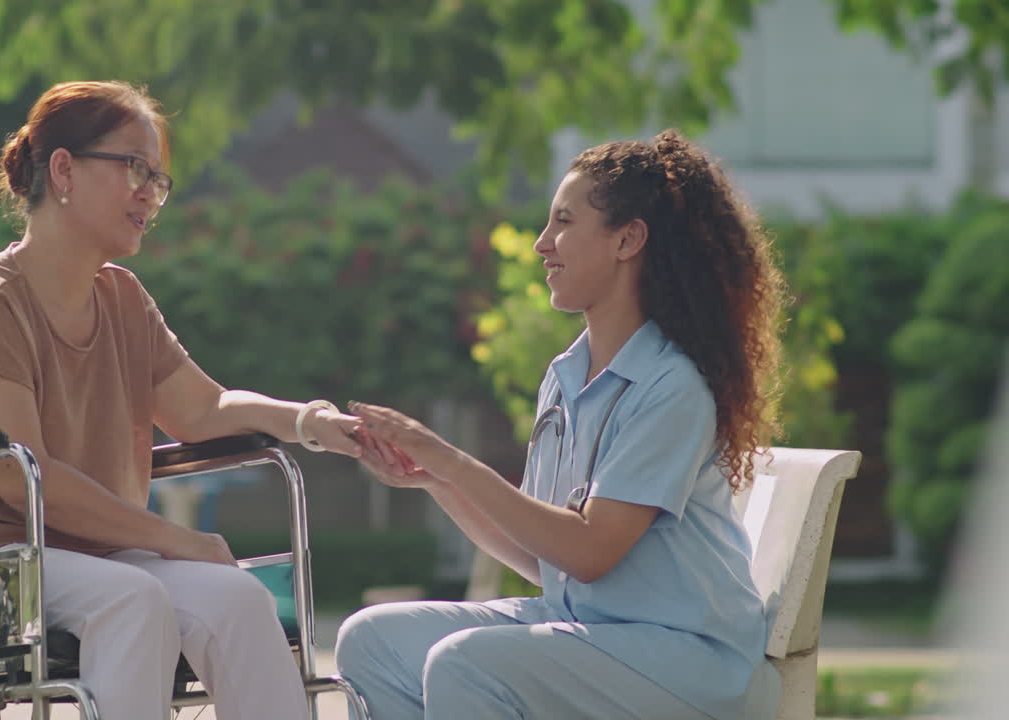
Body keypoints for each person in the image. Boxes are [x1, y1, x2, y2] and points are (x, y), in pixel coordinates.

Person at [0, 80, 363, 720]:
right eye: (134, 167)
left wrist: (312, 422)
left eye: (157, 179)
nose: (149, 194)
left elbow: (203, 410)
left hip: (84, 555)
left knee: (238, 599)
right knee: (133, 600)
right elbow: (23, 479)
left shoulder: (124, 300)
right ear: (63, 169)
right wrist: (173, 538)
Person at [338, 129, 788, 720]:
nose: (541, 244)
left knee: (466, 663)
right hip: (594, 632)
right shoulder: (565, 376)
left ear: (628, 239)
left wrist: (451, 460)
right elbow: (543, 558)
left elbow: (592, 551)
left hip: (687, 659)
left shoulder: (673, 386)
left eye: (564, 222)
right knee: (371, 640)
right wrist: (433, 478)